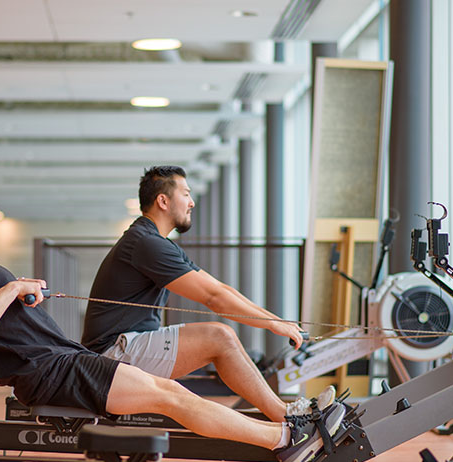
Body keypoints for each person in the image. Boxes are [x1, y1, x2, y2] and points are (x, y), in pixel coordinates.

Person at [0, 164, 345, 462]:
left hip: (65, 361)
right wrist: (15, 287)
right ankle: (287, 436)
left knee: (176, 396)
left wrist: (20, 291)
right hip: (52, 372)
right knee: (174, 396)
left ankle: (286, 432)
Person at [81, 165, 336, 422]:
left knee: (221, 337)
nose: (191, 203)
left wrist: (277, 321)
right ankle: (287, 417)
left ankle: (287, 414)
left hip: (127, 346)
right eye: (186, 194)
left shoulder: (157, 242)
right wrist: (273, 325)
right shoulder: (145, 243)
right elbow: (213, 299)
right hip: (111, 355)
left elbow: (221, 289)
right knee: (219, 337)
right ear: (163, 201)